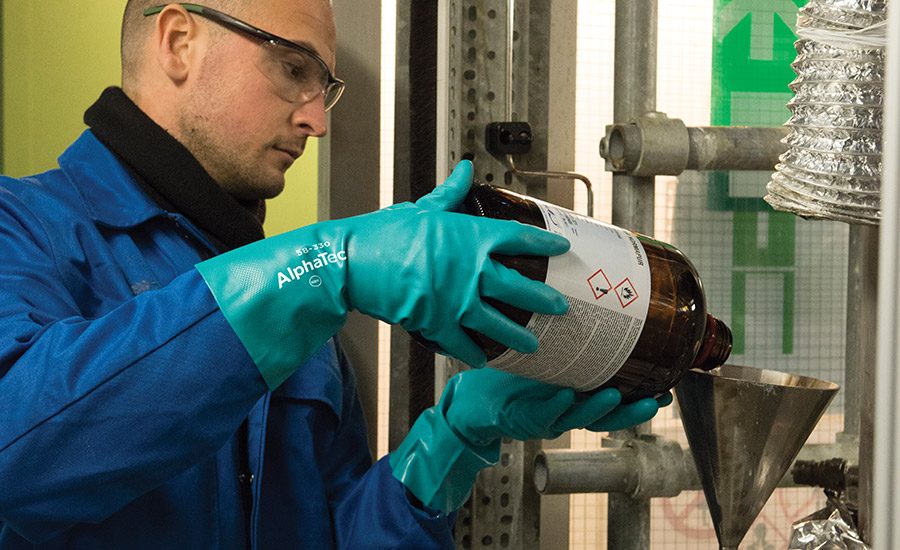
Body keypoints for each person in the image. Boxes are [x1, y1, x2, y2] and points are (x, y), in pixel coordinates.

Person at [0, 1, 670, 548]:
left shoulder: (305, 312)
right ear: (178, 42)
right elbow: (17, 455)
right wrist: (324, 268)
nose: (316, 120)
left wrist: (456, 437)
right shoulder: (22, 229)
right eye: (293, 67)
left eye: (325, 88)